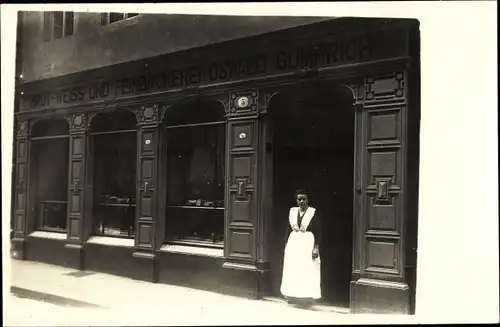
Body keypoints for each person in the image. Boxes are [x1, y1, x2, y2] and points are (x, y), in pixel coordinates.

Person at [280, 189, 322, 306]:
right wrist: (286, 244)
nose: (301, 201)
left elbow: (319, 231)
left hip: (307, 243)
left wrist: (316, 247)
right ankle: (292, 295)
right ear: (296, 200)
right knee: (293, 268)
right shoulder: (292, 212)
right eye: (299, 199)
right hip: (294, 243)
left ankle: (306, 297)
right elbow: (287, 229)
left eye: (304, 199)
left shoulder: (313, 212)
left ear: (308, 200)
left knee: (307, 268)